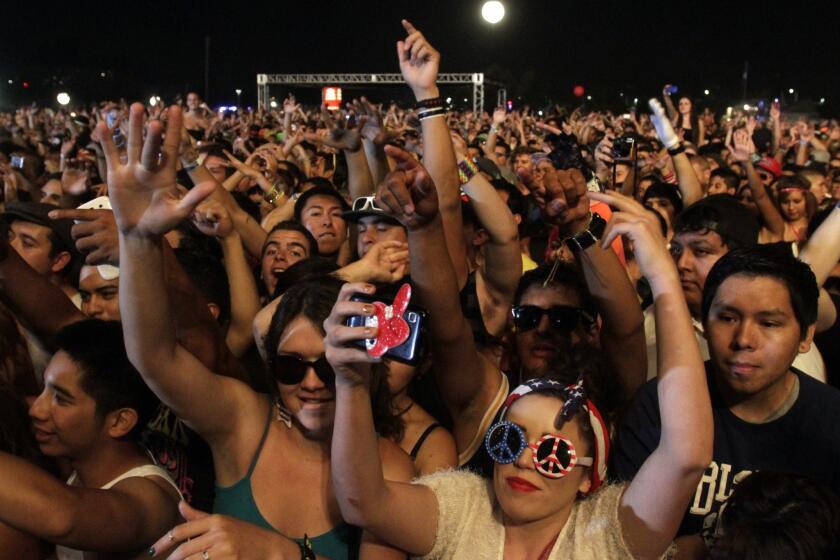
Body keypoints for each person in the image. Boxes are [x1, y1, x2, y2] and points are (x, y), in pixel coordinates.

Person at [322, 124, 712, 557]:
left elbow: (626, 331)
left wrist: (654, 274)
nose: (524, 459)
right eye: (507, 439)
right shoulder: (466, 502)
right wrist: (423, 226)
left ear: (591, 473)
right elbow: (447, 322)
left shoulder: (604, 530)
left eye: (555, 454)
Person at [106, 102, 413, 560]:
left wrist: (282, 554)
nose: (311, 383)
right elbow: (154, 357)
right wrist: (136, 240)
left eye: (330, 367)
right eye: (291, 366)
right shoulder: (245, 423)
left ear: (364, 362)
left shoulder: (390, 469)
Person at [616, 244, 840, 556]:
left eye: (769, 323)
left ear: (806, 336)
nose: (744, 340)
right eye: (728, 317)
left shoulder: (831, 423)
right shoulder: (658, 406)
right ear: (704, 324)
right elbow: (619, 538)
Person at [0, 319, 182, 558]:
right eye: (45, 388)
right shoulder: (82, 461)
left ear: (119, 421)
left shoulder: (150, 499)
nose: (37, 410)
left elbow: (64, 517)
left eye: (60, 399)